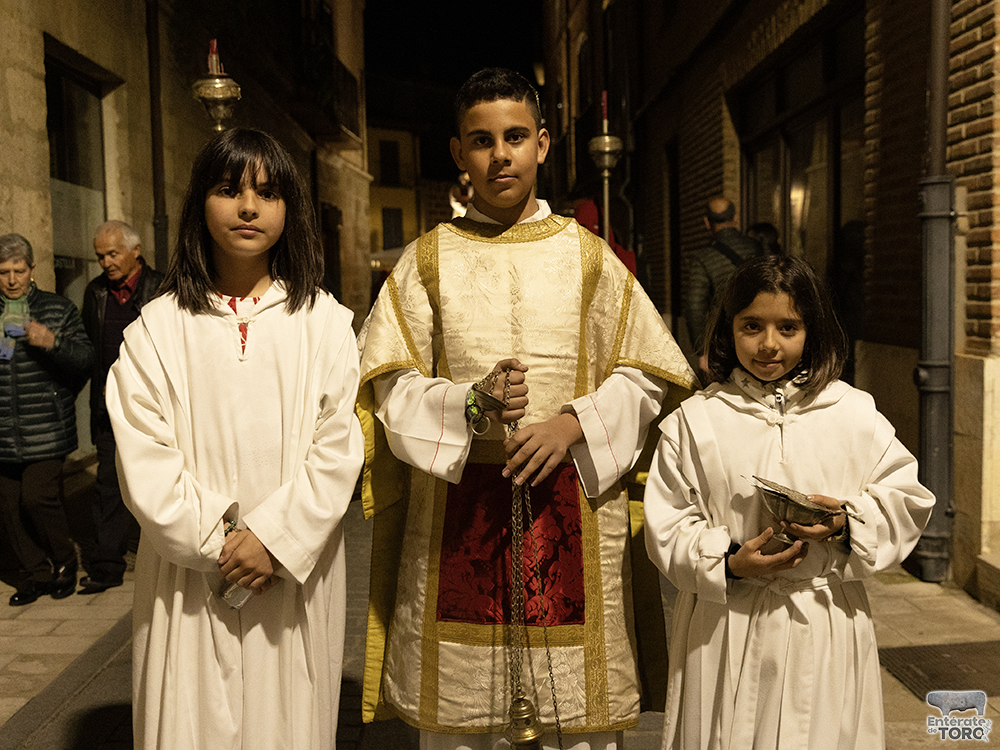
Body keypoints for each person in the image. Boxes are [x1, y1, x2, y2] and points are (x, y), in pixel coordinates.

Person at [357, 67, 697, 750]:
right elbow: (387, 388)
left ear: (542, 144)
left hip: (567, 509)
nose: (500, 154)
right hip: (457, 521)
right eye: (481, 140)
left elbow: (651, 374)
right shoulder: (426, 262)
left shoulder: (590, 259)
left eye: (515, 137)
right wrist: (468, 403)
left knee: (575, 723)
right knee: (460, 725)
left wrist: (573, 424)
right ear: (458, 153)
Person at [106, 128, 364, 749]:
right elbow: (144, 458)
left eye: (268, 193)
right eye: (230, 190)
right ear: (202, 203)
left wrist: (273, 540)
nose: (249, 208)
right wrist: (224, 542)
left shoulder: (324, 325)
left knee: (289, 723)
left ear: (288, 211)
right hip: (188, 582)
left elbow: (338, 449)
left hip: (291, 576)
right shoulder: (156, 332)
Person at [643, 254, 936, 750]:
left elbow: (904, 497)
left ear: (813, 331)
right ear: (728, 329)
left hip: (822, 620)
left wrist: (847, 522)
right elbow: (667, 522)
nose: (769, 344)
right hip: (727, 624)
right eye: (752, 326)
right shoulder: (696, 421)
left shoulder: (853, 414)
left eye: (788, 327)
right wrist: (729, 561)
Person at [0, 233, 94, 605]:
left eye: (18, 271)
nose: (11, 279)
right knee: (7, 504)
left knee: (37, 497)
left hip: (46, 428)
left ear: (32, 270)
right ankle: (35, 573)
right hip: (3, 431)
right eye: (3, 271)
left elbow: (85, 359)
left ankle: (65, 563)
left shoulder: (56, 309)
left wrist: (51, 341)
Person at [80, 220, 164, 593]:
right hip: (109, 408)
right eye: (100, 256)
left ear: (135, 250)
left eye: (112, 254)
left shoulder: (162, 288)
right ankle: (107, 565)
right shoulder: (95, 293)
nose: (106, 263)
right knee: (108, 484)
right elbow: (91, 351)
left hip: (153, 406)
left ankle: (162, 553)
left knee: (157, 479)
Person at [685, 197, 762, 372]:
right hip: (759, 331)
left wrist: (703, 352)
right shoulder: (756, 248)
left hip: (723, 339)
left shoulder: (704, 257)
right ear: (736, 217)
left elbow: (695, 306)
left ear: (706, 223)